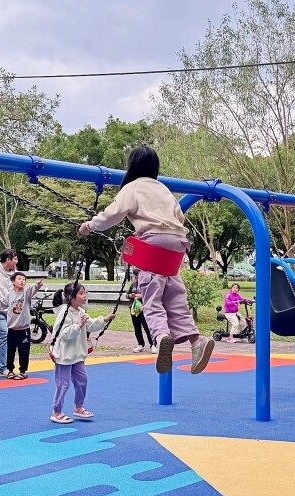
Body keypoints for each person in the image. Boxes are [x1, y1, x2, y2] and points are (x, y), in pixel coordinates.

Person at [78, 145, 214, 375]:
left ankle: (161, 338)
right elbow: (179, 216)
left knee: (152, 297)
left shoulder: (132, 187)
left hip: (154, 243)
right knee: (174, 296)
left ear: (132, 166)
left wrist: (89, 226)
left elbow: (112, 214)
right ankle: (196, 341)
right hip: (178, 243)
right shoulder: (163, 189)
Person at [49, 282, 115, 424]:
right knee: (63, 384)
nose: (84, 296)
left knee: (82, 382)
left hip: (77, 356)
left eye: (85, 293)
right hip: (64, 356)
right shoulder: (64, 313)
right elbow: (64, 334)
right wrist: (78, 325)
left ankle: (78, 408)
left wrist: (105, 319)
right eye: (81, 293)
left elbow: (90, 324)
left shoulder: (80, 311)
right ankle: (57, 412)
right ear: (71, 296)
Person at [0, 271, 43, 380]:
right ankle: (10, 370)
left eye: (24, 279)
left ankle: (23, 371)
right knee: (10, 351)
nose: (22, 281)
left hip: (24, 329)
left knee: (24, 351)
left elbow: (33, 289)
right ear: (13, 282)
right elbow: (0, 304)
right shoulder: (10, 295)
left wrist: (37, 285)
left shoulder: (26, 293)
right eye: (19, 279)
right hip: (12, 328)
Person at [127, 268, 156, 353]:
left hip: (145, 309)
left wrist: (142, 296)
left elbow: (152, 295)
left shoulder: (147, 285)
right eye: (135, 277)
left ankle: (153, 344)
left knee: (147, 327)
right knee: (137, 327)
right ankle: (140, 344)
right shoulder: (133, 285)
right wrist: (130, 296)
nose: (137, 279)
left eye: (138, 277)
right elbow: (127, 295)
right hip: (134, 310)